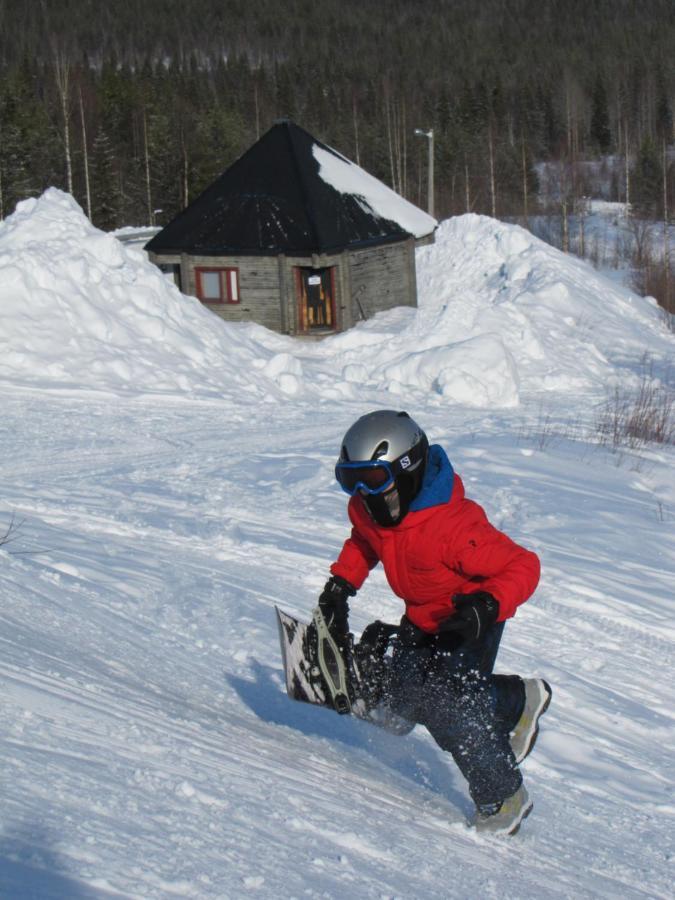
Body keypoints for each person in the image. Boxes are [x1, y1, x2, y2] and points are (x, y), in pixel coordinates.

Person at [317, 409, 551, 836]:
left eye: (372, 479)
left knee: (452, 705)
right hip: (423, 616)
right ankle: (517, 701)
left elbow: (524, 565)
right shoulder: (372, 511)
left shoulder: (452, 527)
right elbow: (364, 541)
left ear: (407, 470)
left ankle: (503, 797)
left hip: (471, 619)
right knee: (402, 702)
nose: (364, 494)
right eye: (351, 481)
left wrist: (485, 605)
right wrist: (340, 586)